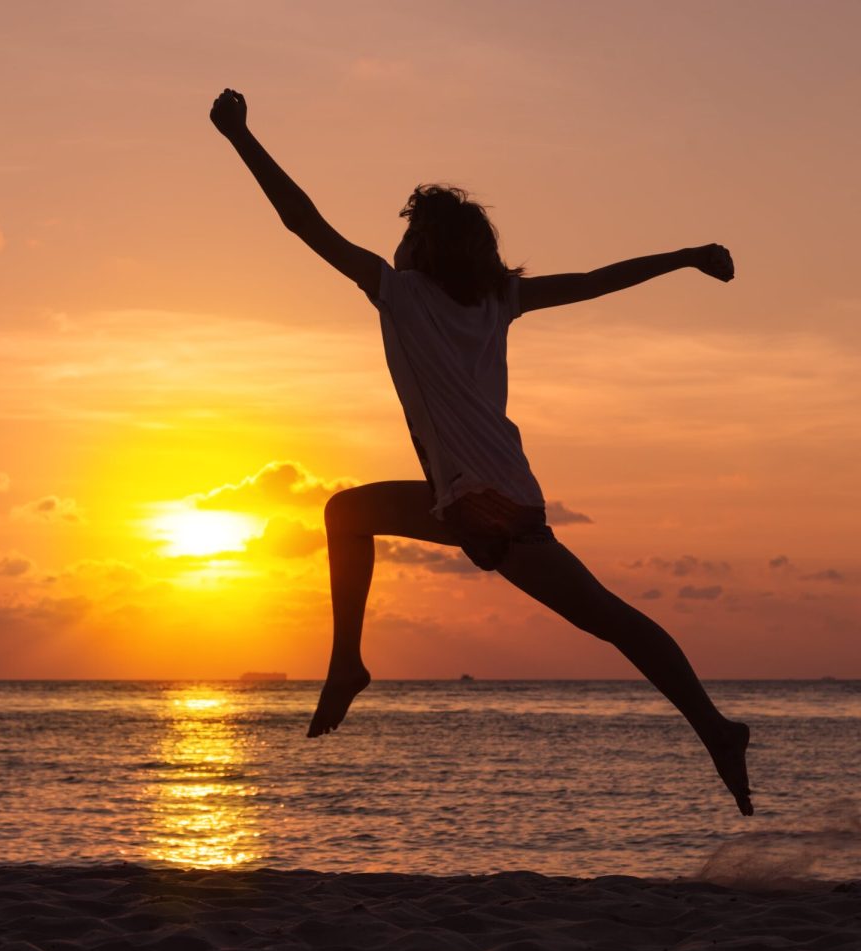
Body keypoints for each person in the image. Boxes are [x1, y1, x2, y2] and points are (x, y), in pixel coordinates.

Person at [210, 88, 753, 816]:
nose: (395, 244)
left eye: (405, 235)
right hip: (494, 497)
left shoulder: (397, 292)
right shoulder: (500, 299)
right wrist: (686, 256)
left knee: (604, 616)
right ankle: (715, 729)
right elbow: (595, 282)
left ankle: (347, 662)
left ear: (419, 247)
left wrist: (241, 137)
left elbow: (301, 220)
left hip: (474, 499)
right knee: (355, 514)